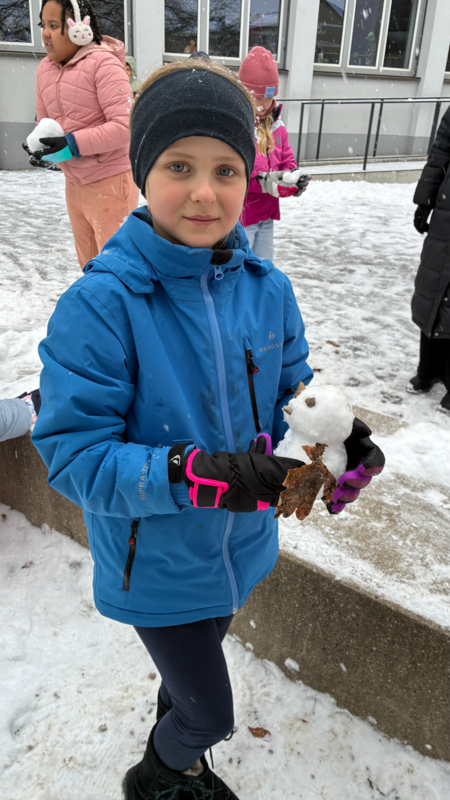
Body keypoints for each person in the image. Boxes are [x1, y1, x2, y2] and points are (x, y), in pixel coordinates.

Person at [32, 58, 384, 799]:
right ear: (141, 172)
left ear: (248, 178)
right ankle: (160, 773)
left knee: (187, 687)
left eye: (226, 169)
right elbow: (72, 455)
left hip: (241, 551)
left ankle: (178, 741)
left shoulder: (269, 288)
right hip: (154, 563)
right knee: (211, 711)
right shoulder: (102, 306)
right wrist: (194, 473)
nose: (204, 190)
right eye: (178, 165)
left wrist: (344, 440)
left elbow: (296, 397)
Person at [28, 0, 139, 270]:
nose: (45, 33)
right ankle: (95, 312)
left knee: (116, 268)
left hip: (110, 182)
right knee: (89, 266)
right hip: (74, 183)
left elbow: (125, 127)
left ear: (80, 28)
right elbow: (46, 122)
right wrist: (42, 146)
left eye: (54, 26)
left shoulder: (103, 64)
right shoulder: (45, 69)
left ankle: (126, 313)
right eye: (44, 25)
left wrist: (73, 143)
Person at [238, 46, 309, 261]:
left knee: (263, 268)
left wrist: (292, 179)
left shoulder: (277, 127)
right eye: (257, 99)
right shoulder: (238, 127)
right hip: (241, 217)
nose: (263, 105)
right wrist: (262, 183)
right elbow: (231, 175)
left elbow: (287, 160)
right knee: (240, 269)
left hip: (266, 214)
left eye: (267, 98)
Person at [411, 107, 450, 414]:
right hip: (446, 210)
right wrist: (425, 199)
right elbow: (441, 151)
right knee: (433, 284)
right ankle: (429, 367)